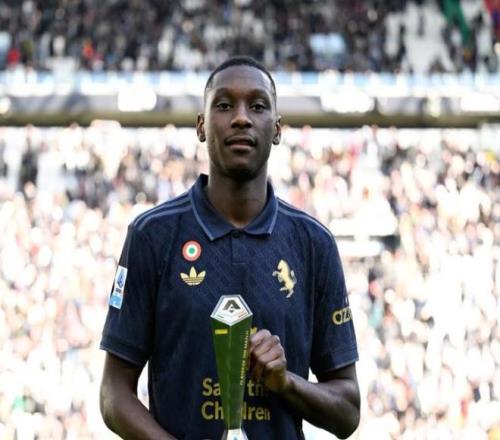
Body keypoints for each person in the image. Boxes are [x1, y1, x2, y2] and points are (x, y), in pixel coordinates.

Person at [99, 56, 360, 439]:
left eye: (257, 106)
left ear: (277, 129)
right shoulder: (152, 235)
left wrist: (286, 382)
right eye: (224, 105)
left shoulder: (313, 244)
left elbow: (348, 411)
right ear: (201, 126)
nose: (241, 118)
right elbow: (113, 394)